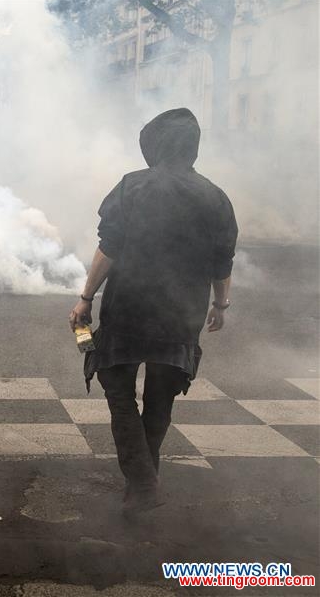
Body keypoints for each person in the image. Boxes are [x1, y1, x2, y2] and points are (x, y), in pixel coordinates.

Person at [68, 108, 237, 514]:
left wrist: (86, 297)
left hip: (129, 308)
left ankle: (142, 483)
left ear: (155, 145)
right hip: (181, 314)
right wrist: (221, 304)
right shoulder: (216, 197)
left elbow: (110, 246)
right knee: (160, 399)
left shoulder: (132, 187)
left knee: (120, 393)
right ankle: (144, 479)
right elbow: (222, 261)